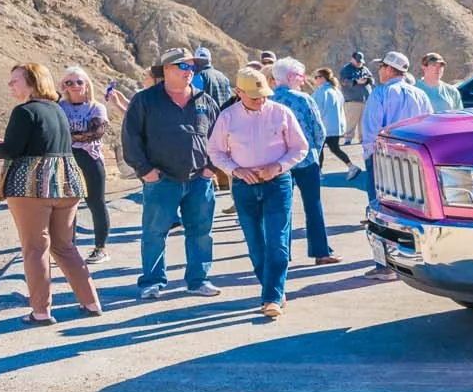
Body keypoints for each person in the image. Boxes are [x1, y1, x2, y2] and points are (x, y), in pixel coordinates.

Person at [0, 63, 101, 323]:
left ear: (32, 83)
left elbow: (11, 151)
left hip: (31, 186)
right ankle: (91, 303)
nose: (10, 85)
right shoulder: (57, 110)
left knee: (35, 249)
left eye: (15, 81)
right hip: (66, 183)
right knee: (65, 247)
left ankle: (41, 311)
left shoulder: (24, 111)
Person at [121, 47, 223, 302]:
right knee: (155, 232)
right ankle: (152, 282)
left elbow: (220, 137)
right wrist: (145, 171)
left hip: (199, 180)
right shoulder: (145, 100)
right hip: (161, 180)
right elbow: (131, 138)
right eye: (184, 66)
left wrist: (212, 168)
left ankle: (199, 279)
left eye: (193, 67)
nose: (191, 72)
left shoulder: (204, 100)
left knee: (201, 231)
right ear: (166, 69)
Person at [209, 67, 308, 320]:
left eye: (263, 94)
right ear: (238, 92)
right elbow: (216, 152)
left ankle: (272, 297)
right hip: (244, 187)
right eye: (254, 96)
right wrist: (236, 171)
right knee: (255, 243)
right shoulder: (227, 118)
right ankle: (272, 285)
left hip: (278, 184)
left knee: (278, 241)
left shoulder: (281, 113)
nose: (260, 100)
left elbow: (300, 148)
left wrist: (279, 166)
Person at [359, 52, 434, 275]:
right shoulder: (419, 94)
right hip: (414, 161)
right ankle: (413, 261)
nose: (379, 70)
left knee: (381, 211)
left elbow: (372, 130)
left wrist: (369, 157)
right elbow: (429, 125)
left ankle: (384, 266)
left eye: (381, 66)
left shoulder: (380, 94)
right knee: (411, 213)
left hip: (385, 159)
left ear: (389, 69)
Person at [271, 58, 340, 265]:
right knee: (313, 206)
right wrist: (315, 153)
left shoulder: (268, 101)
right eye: (300, 76)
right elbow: (319, 130)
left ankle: (282, 254)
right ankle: (320, 252)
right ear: (291, 77)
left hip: (278, 163)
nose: (303, 81)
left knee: (281, 209)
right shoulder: (304, 100)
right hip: (305, 160)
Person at [57, 65, 111, 264]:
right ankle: (68, 247)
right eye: (69, 82)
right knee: (68, 203)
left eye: (79, 81)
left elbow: (95, 133)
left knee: (95, 202)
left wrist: (68, 136)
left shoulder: (96, 107)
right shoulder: (59, 106)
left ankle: (101, 247)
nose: (75, 86)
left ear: (87, 83)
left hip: (90, 158)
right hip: (66, 159)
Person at [310, 66, 354, 171]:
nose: (315, 79)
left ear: (322, 78)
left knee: (318, 150)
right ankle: (351, 166)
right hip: (336, 127)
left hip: (324, 127)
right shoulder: (336, 90)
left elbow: (316, 111)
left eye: (316, 77)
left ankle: (318, 172)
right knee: (335, 149)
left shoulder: (321, 92)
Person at [339, 50, 375, 155]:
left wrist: (367, 80)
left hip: (365, 99)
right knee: (351, 120)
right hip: (352, 100)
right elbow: (344, 82)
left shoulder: (365, 69)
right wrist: (356, 81)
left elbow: (372, 80)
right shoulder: (346, 69)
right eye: (357, 61)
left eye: (361, 61)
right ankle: (348, 139)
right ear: (352, 59)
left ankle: (363, 138)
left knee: (364, 121)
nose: (360, 63)